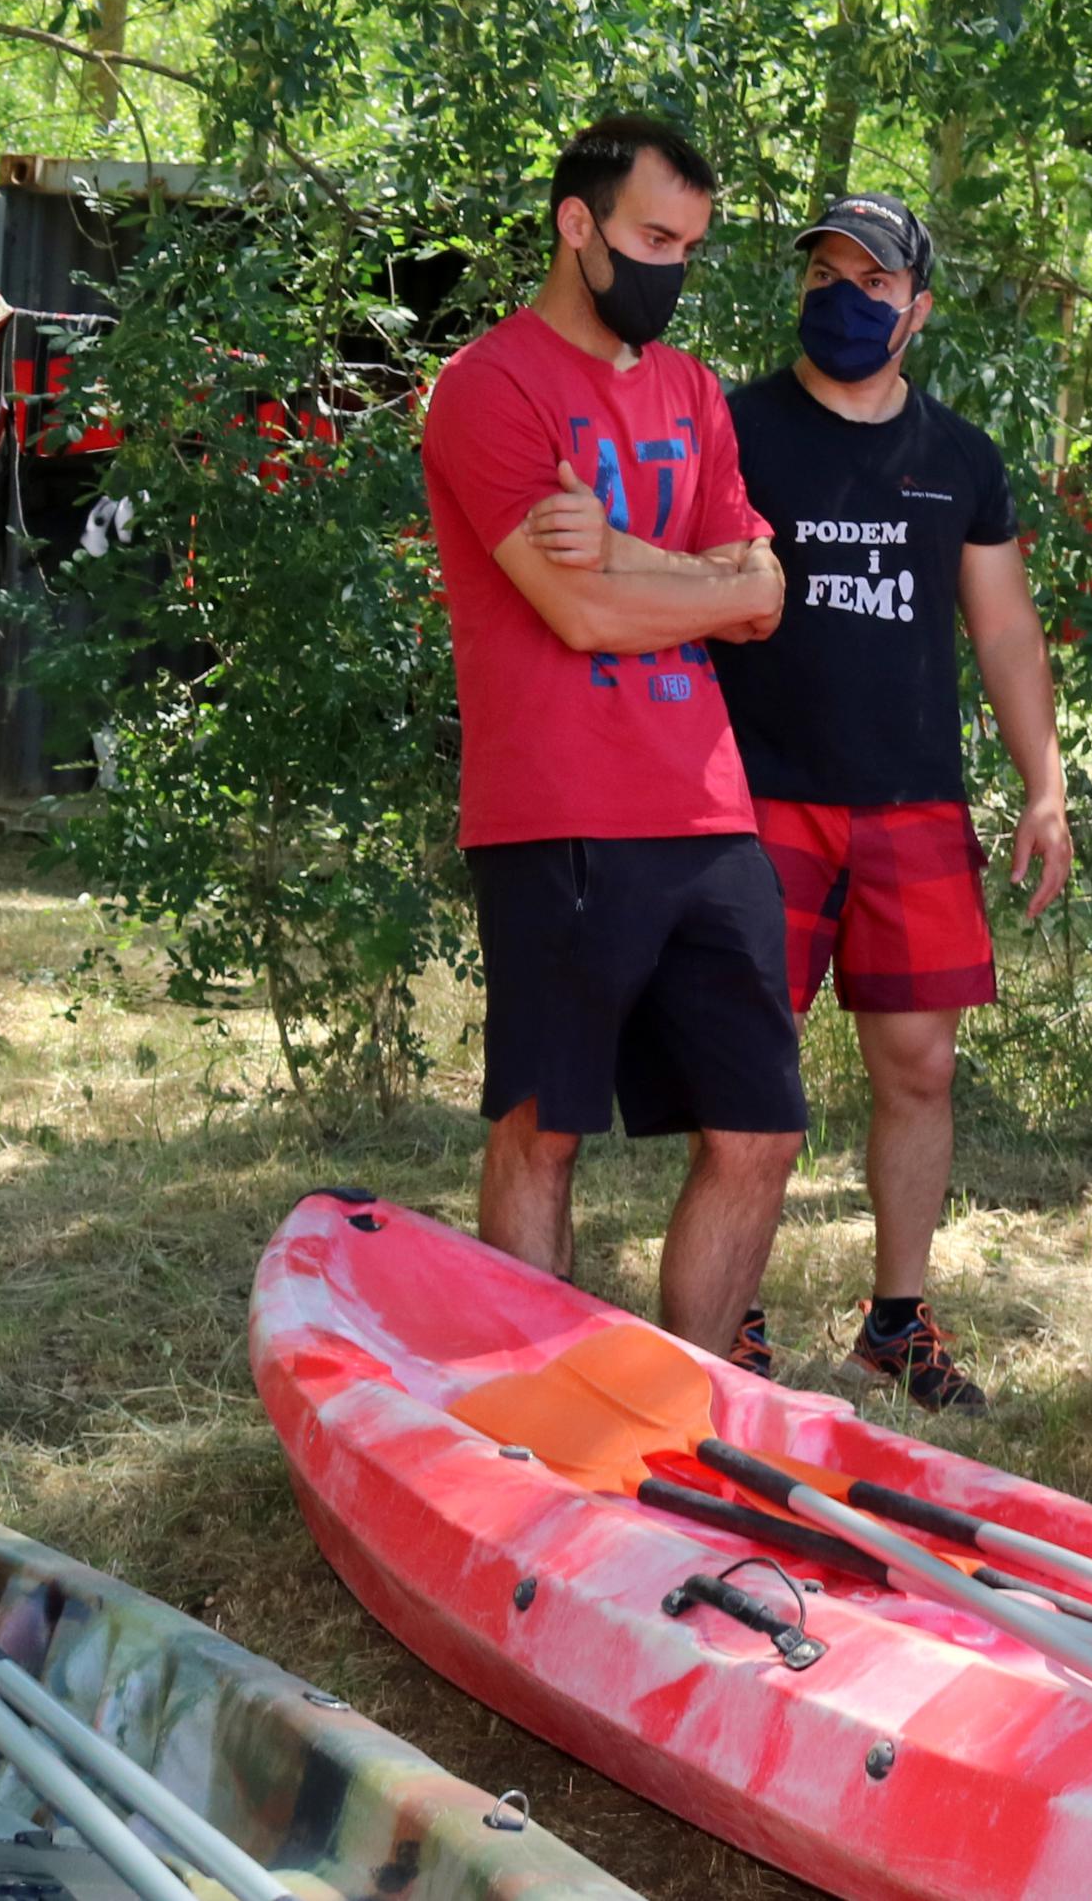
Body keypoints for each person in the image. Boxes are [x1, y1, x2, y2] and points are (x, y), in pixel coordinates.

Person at [421, 112, 799, 1357]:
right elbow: (575, 611)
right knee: (545, 1127)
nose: (670, 269)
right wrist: (707, 584)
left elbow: (767, 594)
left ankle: (697, 1410)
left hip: (706, 808)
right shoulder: (490, 388)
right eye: (650, 237)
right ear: (575, 225)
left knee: (759, 1129)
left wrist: (645, 559)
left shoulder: (692, 392)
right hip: (556, 813)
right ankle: (531, 1406)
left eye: (689, 246)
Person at [713, 192, 1072, 1408]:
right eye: (825, 273)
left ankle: (897, 1321)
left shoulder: (958, 457)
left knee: (918, 1066)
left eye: (871, 283)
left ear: (916, 309)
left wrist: (1045, 785)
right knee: (747, 1074)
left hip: (912, 801)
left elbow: (1007, 631)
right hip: (759, 796)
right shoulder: (732, 425)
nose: (842, 298)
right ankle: (731, 1320)